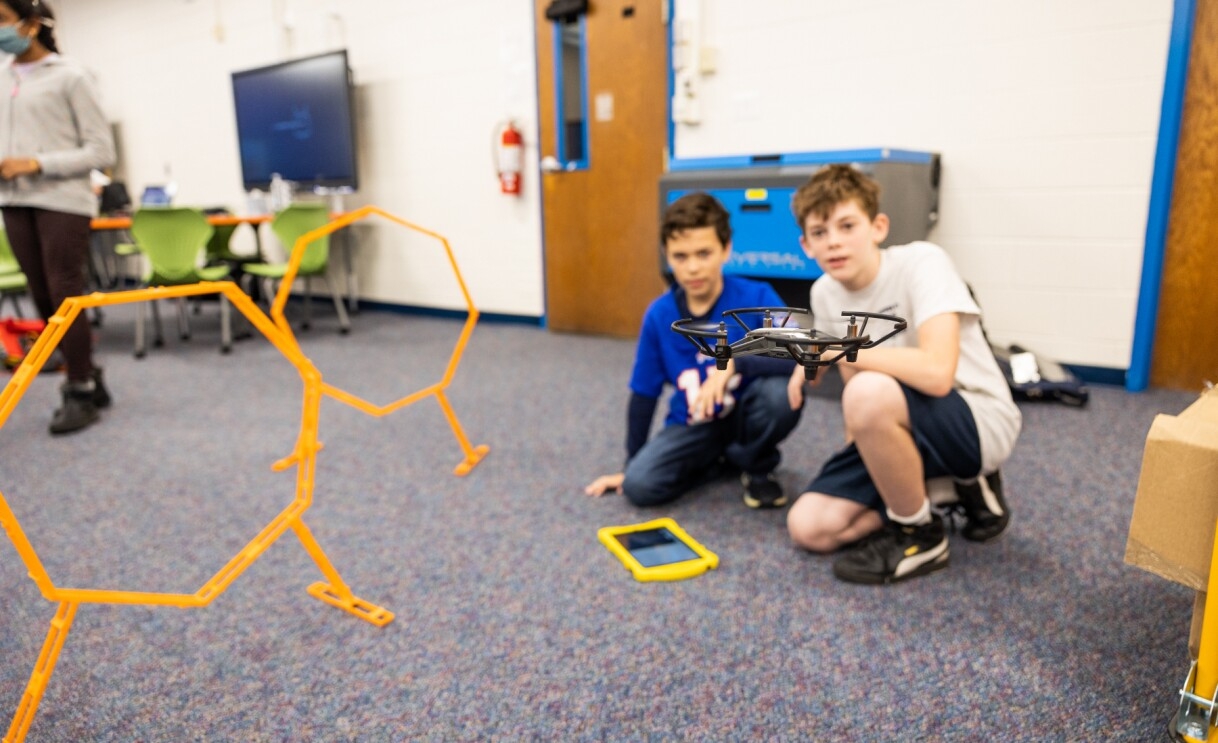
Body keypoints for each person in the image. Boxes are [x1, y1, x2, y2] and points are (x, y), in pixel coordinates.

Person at [785, 164, 1021, 585]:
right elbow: (856, 391)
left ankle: (920, 533)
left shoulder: (922, 262)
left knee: (870, 391)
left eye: (847, 225)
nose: (834, 241)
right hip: (892, 418)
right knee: (810, 527)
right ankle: (946, 489)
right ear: (806, 245)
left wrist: (841, 351)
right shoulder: (824, 291)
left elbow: (935, 374)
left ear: (878, 226)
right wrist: (870, 458)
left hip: (977, 418)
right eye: (820, 233)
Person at [585, 192, 803, 509]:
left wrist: (737, 364)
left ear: (726, 250)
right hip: (693, 423)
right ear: (667, 255)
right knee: (640, 486)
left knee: (780, 396)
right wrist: (631, 464)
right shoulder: (659, 315)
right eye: (681, 256)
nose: (693, 268)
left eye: (704, 253)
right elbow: (643, 394)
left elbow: (801, 354)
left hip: (747, 413)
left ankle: (756, 465)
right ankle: (721, 462)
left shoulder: (757, 295)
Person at [0, 0, 116, 434]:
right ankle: (88, 371)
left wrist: (36, 163)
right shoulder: (3, 77)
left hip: (63, 199)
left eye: (1, 21)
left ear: (31, 25)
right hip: (14, 201)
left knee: (65, 295)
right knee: (44, 300)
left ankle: (81, 389)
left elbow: (102, 152)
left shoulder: (71, 75)